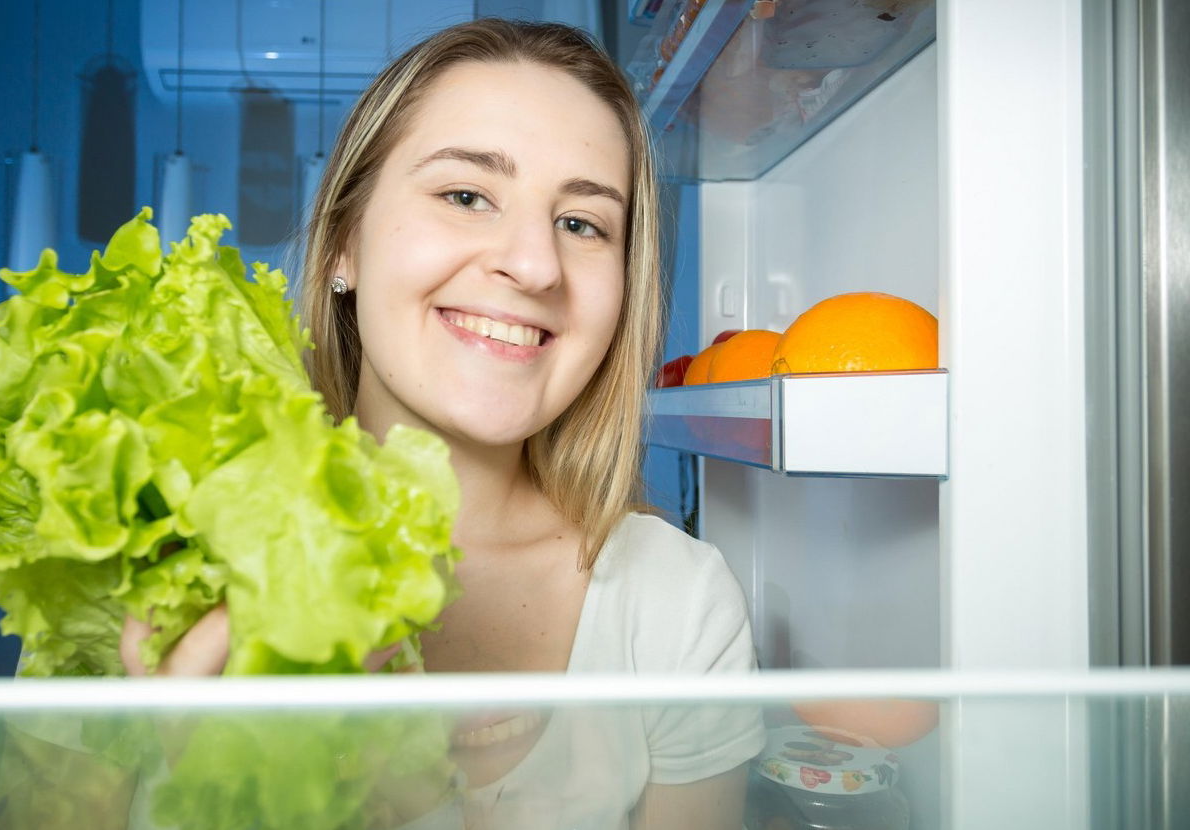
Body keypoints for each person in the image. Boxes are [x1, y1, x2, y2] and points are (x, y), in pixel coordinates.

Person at [109, 18, 762, 830]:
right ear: (344, 241)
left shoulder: (677, 604)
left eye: (581, 222)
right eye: (465, 196)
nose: (533, 265)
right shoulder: (138, 555)